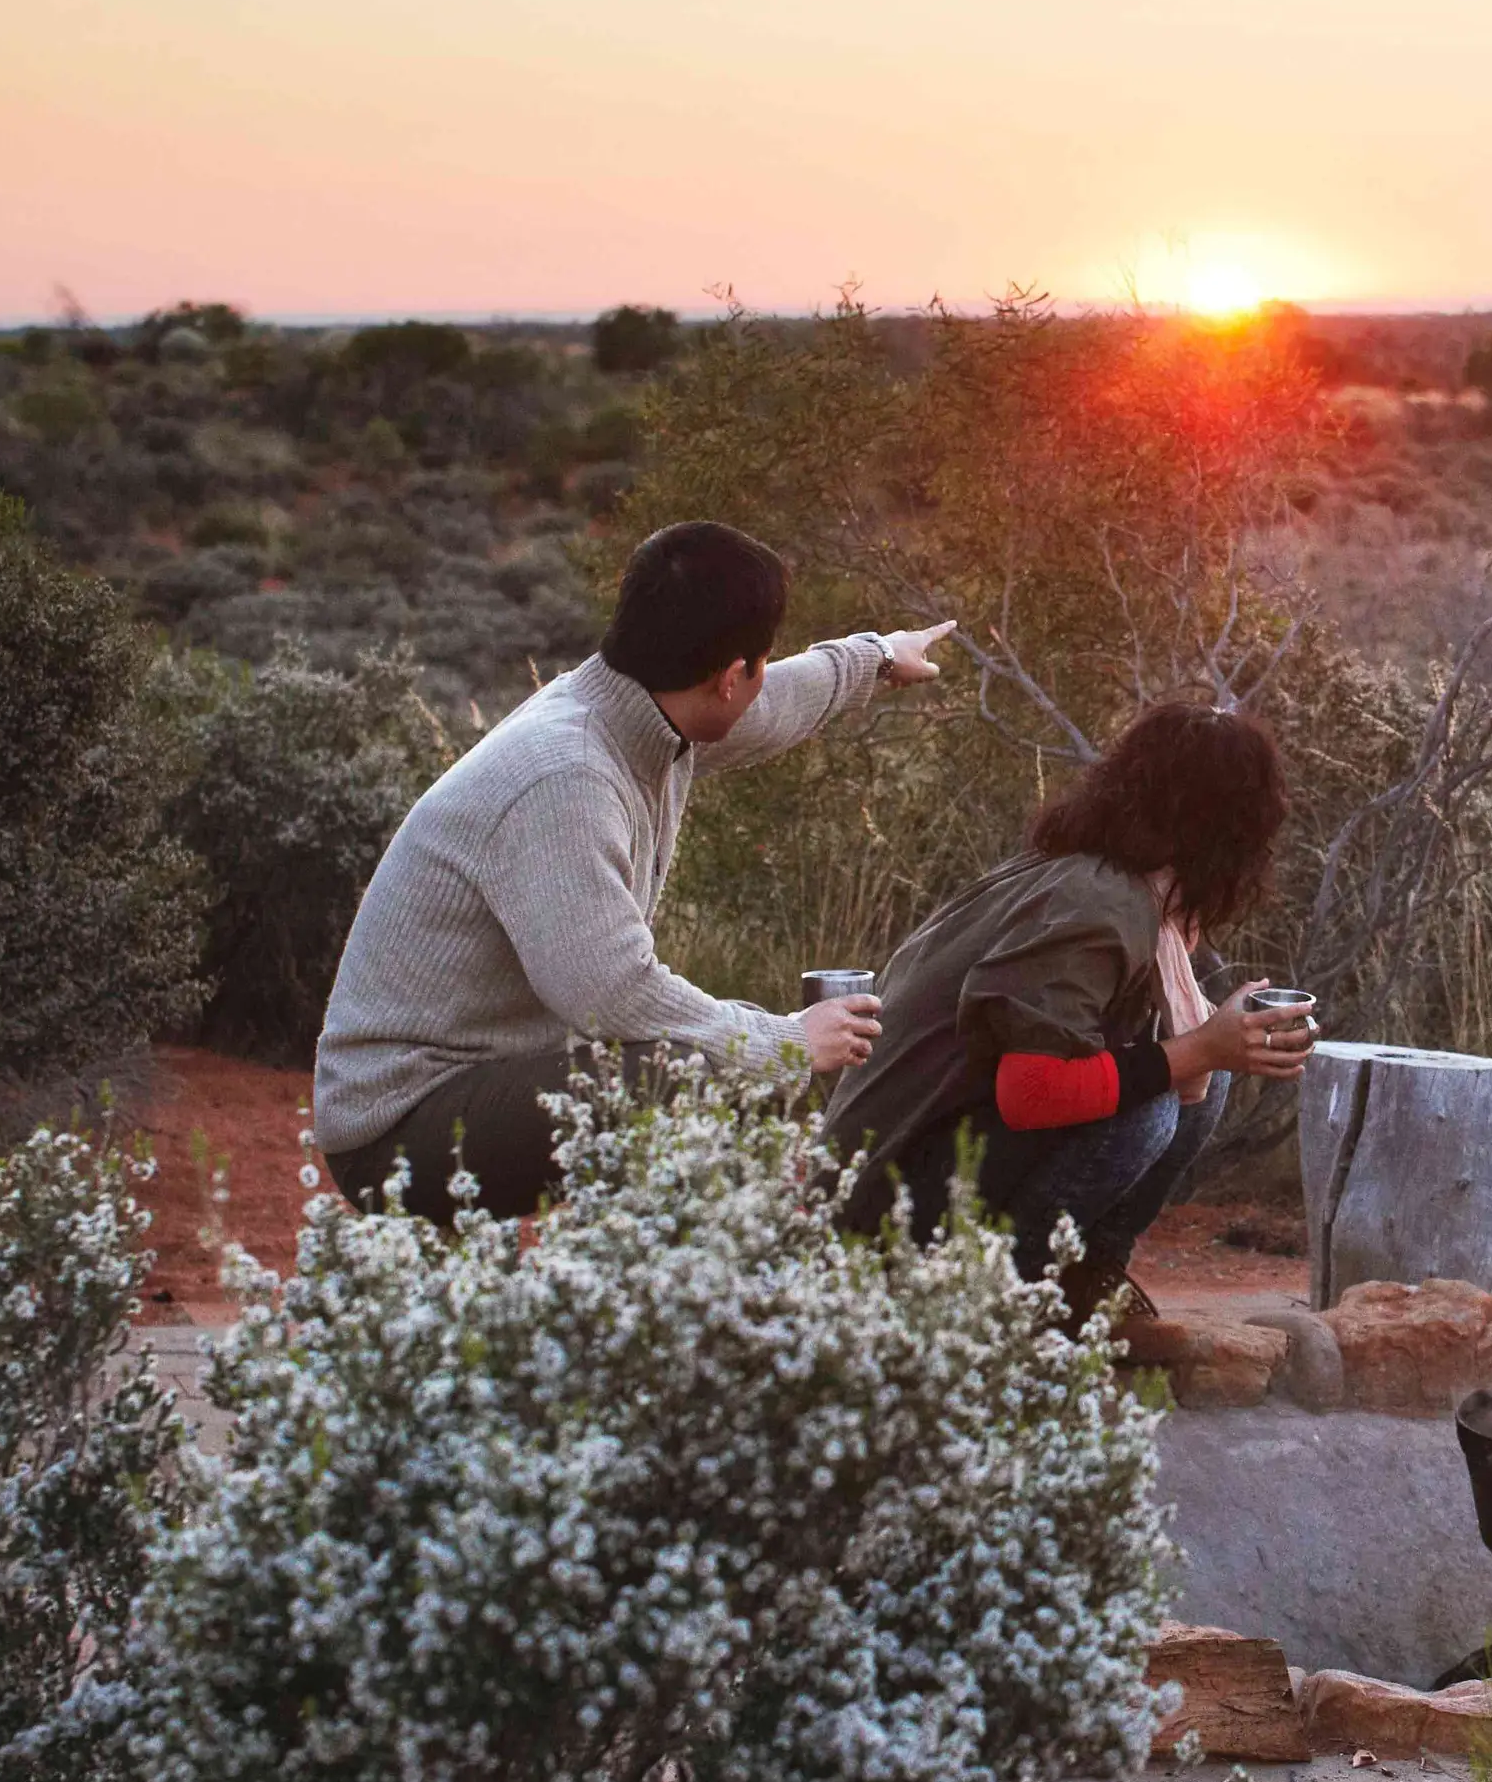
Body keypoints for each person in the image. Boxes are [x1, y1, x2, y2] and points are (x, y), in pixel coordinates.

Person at [314, 521, 952, 1219]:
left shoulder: (640, 712)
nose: (761, 681)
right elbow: (612, 995)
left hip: (478, 1080)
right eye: (759, 664)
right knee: (680, 1082)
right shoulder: (565, 775)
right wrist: (786, 1042)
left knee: (694, 1070)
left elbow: (771, 707)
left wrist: (878, 658)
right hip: (398, 1122)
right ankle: (674, 1308)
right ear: (729, 677)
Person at [824, 701, 1314, 1319]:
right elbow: (1029, 1091)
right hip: (882, 1201)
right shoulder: (1097, 903)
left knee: (1194, 1080)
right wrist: (1202, 1048)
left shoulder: (1118, 887)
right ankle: (1009, 1293)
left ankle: (1089, 1272)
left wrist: (1209, 1043)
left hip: (934, 1157)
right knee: (1155, 1104)